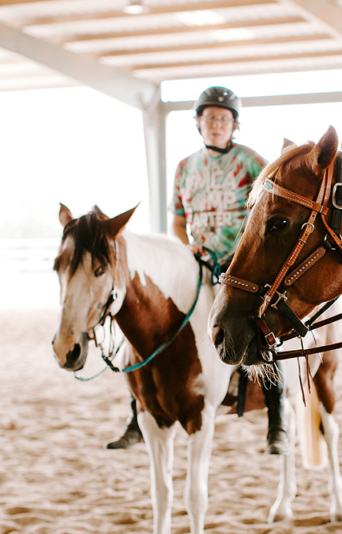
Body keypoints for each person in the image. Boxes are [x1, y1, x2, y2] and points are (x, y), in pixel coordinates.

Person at [106, 86, 290, 455]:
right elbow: (177, 220)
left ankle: (277, 420)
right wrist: (186, 243)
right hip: (196, 258)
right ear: (198, 123)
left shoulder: (253, 161)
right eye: (209, 118)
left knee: (263, 327)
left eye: (223, 119)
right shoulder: (185, 167)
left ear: (234, 125)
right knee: (151, 321)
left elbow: (270, 212)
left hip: (240, 262)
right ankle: (136, 414)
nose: (216, 125)